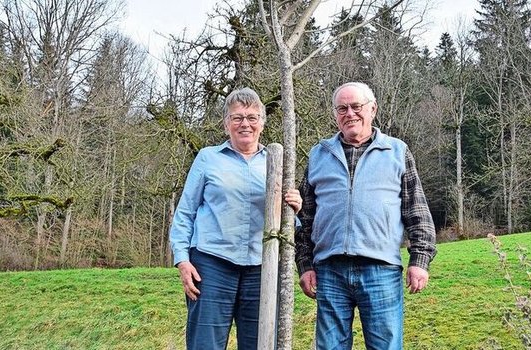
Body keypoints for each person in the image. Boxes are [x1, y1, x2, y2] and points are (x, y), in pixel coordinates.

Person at [295, 82, 437, 350]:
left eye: (356, 106)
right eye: (342, 108)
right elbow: (305, 217)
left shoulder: (396, 151)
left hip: (380, 269)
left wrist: (419, 259)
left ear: (372, 109)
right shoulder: (319, 154)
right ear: (336, 114)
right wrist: (305, 265)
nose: (350, 113)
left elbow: (416, 209)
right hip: (330, 270)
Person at [169, 87, 302, 350]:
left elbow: (286, 223)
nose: (245, 124)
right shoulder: (208, 158)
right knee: (205, 344)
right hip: (211, 265)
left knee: (260, 344)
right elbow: (185, 212)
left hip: (261, 267)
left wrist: (295, 209)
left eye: (252, 117)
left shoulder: (277, 161)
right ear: (226, 123)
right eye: (237, 117)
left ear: (262, 123)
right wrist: (182, 260)